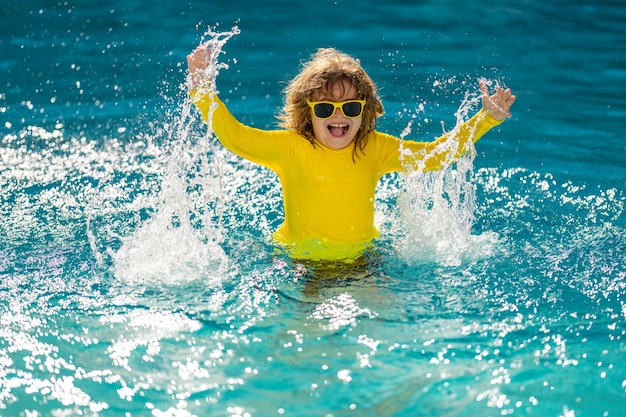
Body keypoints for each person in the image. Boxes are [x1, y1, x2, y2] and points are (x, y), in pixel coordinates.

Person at [187, 45, 515, 262]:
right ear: (308, 112)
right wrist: (202, 88)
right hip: (301, 261)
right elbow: (234, 136)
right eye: (326, 107)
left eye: (351, 106)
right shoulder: (291, 147)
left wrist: (487, 119)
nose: (338, 116)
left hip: (363, 258)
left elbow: (434, 156)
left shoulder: (375, 148)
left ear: (366, 110)